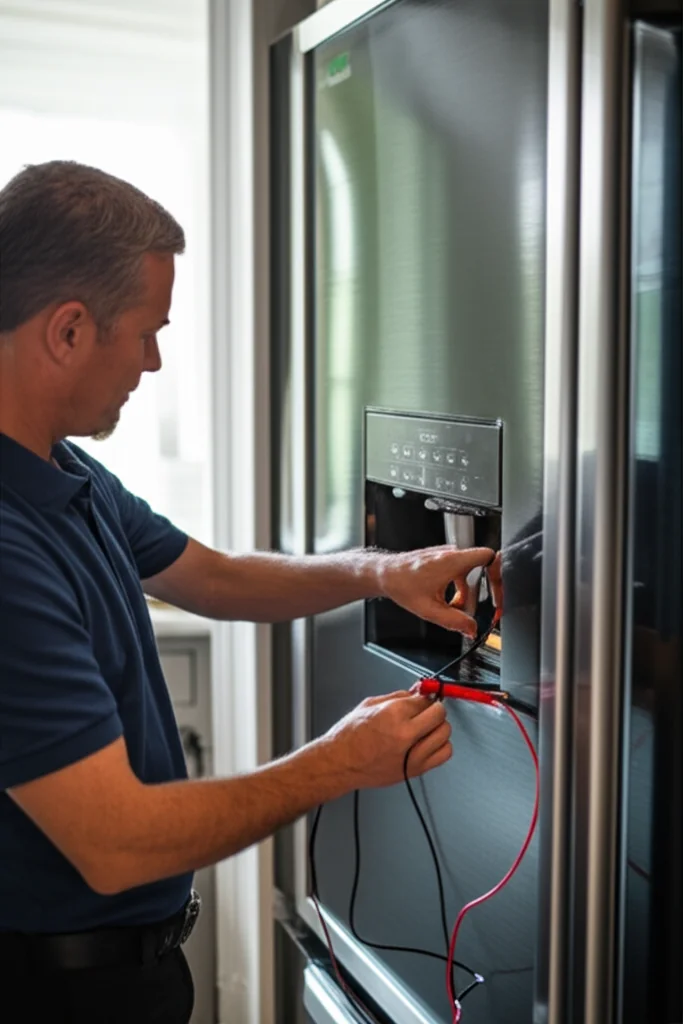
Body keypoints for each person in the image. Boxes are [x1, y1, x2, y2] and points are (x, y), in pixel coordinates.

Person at [0, 161, 500, 1023]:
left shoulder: (62, 467)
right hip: (56, 991)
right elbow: (115, 845)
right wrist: (337, 763)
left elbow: (215, 577)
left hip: (127, 969)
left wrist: (381, 570)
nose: (154, 363)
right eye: (146, 333)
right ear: (69, 331)